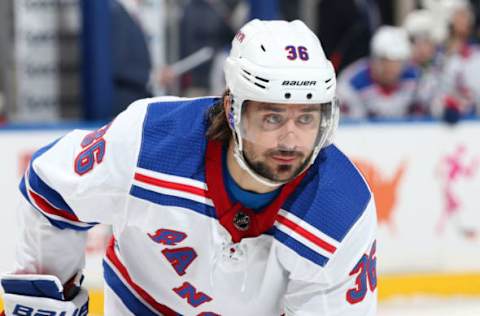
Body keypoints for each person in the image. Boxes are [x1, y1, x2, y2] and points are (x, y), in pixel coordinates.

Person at [1, 19, 377, 315]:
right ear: (233, 110)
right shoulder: (149, 141)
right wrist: (50, 291)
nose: (291, 142)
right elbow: (51, 189)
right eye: (272, 118)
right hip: (142, 305)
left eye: (307, 119)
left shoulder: (342, 212)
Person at [337, 25, 423, 119]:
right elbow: (349, 126)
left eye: (397, 62)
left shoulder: (416, 78)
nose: (391, 68)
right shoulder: (351, 83)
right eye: (385, 61)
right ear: (374, 59)